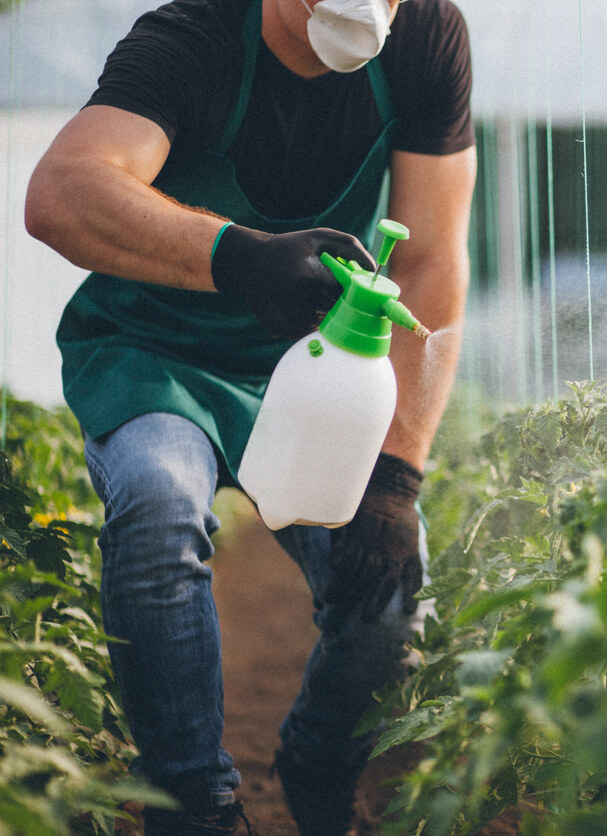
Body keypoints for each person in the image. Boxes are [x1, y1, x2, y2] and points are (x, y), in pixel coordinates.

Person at [24, 0, 476, 832]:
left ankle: (319, 760)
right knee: (159, 510)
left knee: (387, 581)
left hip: (315, 371)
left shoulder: (424, 36)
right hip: (155, 356)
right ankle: (195, 803)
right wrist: (236, 256)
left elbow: (433, 258)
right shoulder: (193, 38)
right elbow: (61, 192)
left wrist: (397, 472)